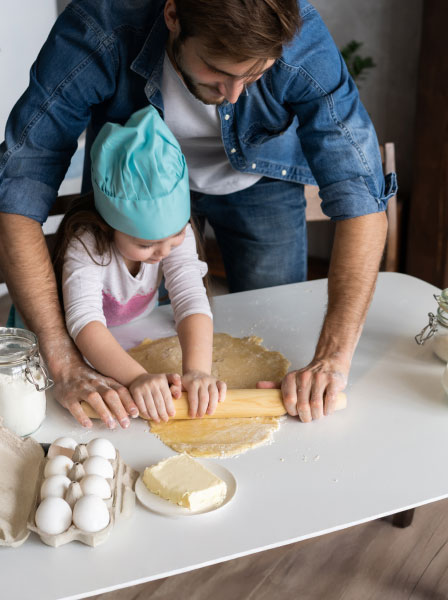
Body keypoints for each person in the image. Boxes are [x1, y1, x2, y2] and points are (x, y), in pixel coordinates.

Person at [0, 0, 397, 428]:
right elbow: (18, 189)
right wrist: (65, 364)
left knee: (274, 323)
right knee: (141, 337)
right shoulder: (101, 25)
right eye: (218, 71)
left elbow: (361, 197)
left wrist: (332, 361)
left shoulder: (299, 40)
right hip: (135, 183)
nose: (234, 95)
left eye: (256, 75)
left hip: (261, 180)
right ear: (173, 16)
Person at [54, 105, 225, 425]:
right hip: (77, 345)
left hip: (137, 328)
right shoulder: (86, 243)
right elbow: (85, 323)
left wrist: (198, 371)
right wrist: (137, 378)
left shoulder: (176, 234)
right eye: (145, 245)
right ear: (108, 224)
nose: (162, 251)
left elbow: (190, 297)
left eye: (174, 236)